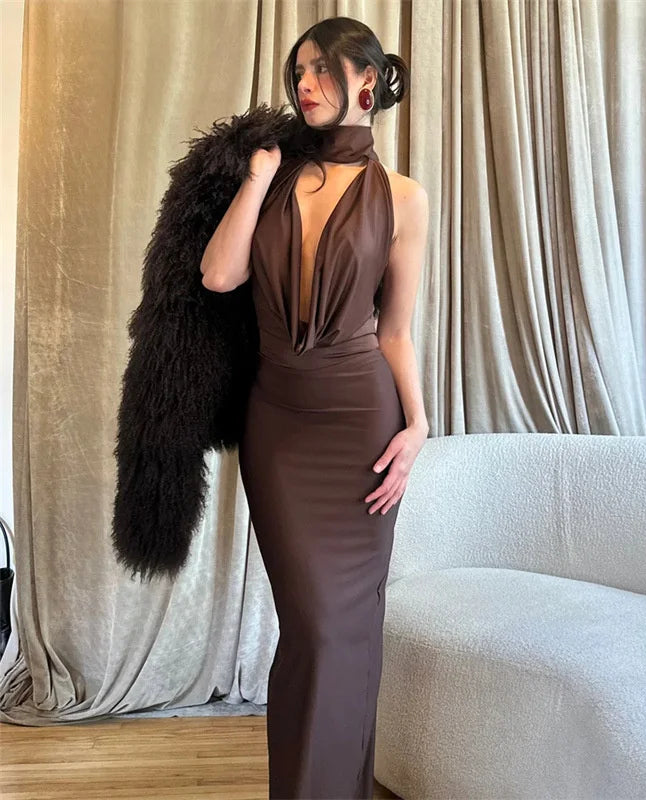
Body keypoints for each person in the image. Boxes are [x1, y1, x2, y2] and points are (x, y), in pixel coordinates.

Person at [199, 16, 429, 800]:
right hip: (280, 429)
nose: (305, 84)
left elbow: (394, 331)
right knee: (313, 626)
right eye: (298, 71)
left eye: (323, 69)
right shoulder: (274, 175)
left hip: (363, 426)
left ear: (367, 81)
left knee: (346, 631)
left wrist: (418, 424)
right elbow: (219, 276)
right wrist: (258, 177)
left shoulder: (405, 198)